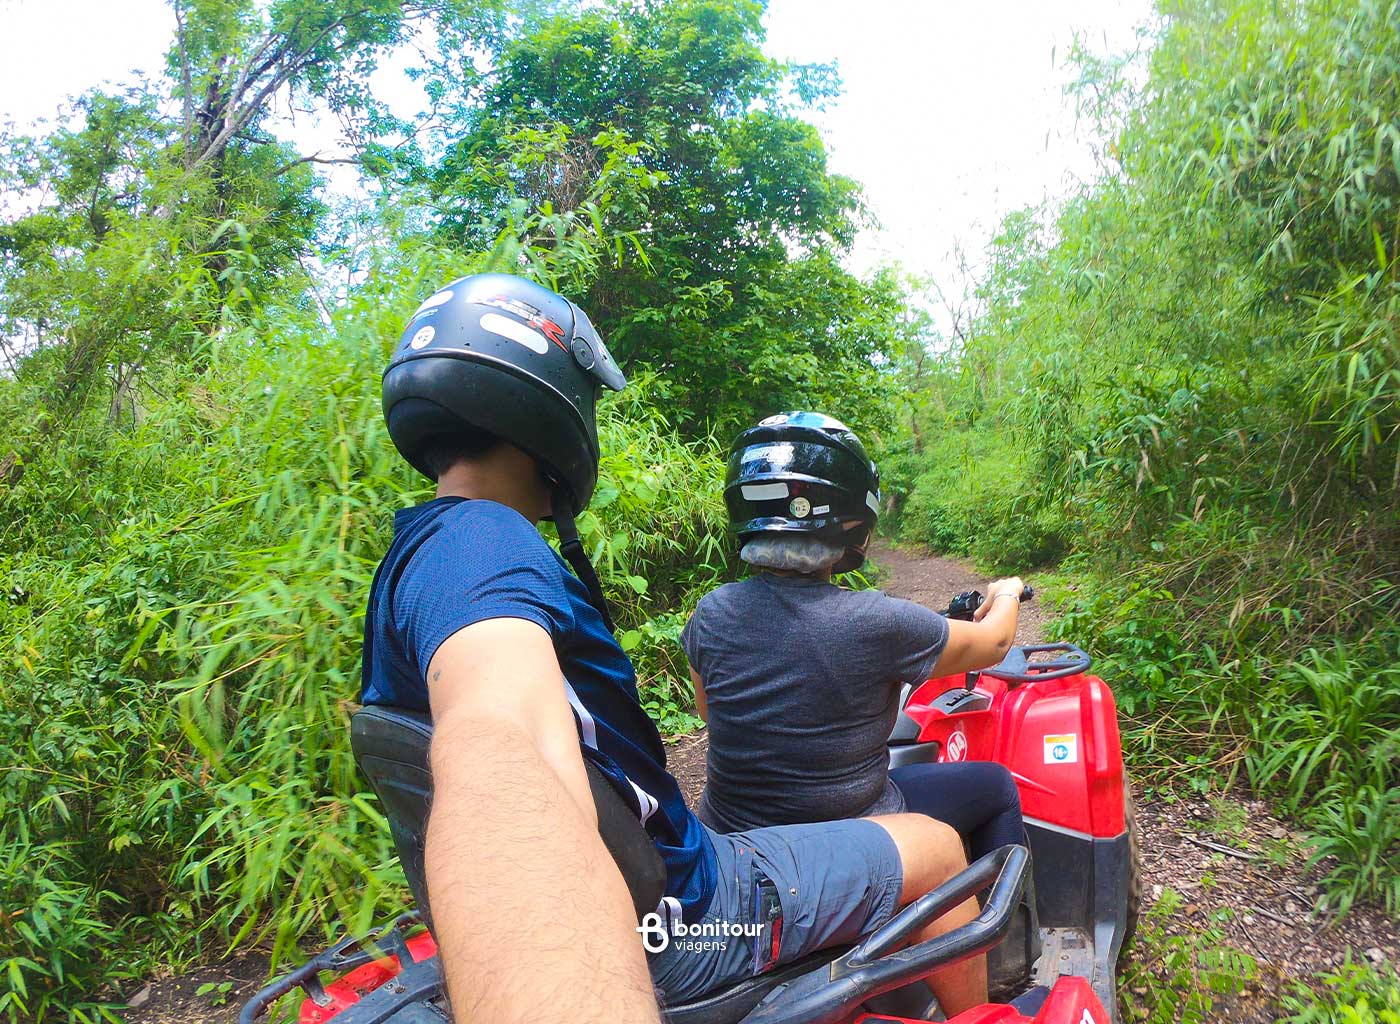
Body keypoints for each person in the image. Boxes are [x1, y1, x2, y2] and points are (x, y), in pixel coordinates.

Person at [359, 275, 993, 1023]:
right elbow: (504, 737)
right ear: (550, 405)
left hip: (675, 859)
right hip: (694, 914)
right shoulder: (483, 542)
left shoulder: (417, 554)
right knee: (939, 848)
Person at [681, 412, 1025, 862]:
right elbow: (995, 642)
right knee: (997, 786)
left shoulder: (710, 614)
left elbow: (710, 711)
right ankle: (1004, 926)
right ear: (852, 520)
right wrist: (1008, 592)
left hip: (731, 840)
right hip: (851, 839)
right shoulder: (878, 620)